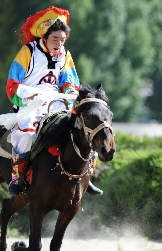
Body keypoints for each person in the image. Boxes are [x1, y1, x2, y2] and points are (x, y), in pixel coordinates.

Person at [5, 6, 103, 196]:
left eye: (62, 40)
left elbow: (69, 81)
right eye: (55, 39)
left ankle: (86, 177)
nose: (59, 43)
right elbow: (12, 84)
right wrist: (30, 95)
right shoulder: (28, 52)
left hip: (57, 102)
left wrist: (67, 91)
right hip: (30, 102)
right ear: (44, 37)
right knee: (26, 135)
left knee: (84, 131)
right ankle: (18, 177)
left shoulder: (65, 55)